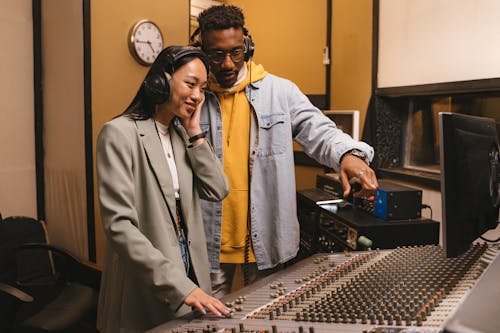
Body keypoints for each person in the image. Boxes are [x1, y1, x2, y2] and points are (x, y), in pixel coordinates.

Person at [191, 4, 379, 297]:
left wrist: (348, 155)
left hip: (267, 238)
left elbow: (321, 131)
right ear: (201, 51)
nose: (228, 63)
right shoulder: (191, 97)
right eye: (217, 54)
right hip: (207, 241)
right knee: (203, 324)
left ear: (247, 47)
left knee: (264, 319)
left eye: (236, 52)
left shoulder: (280, 92)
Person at [96, 45, 230, 333]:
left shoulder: (183, 135)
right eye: (190, 84)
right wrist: (180, 286)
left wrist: (195, 132)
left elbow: (218, 189)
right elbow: (119, 226)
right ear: (161, 82)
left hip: (191, 273)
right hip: (147, 283)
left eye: (202, 88)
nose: (197, 95)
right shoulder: (119, 133)